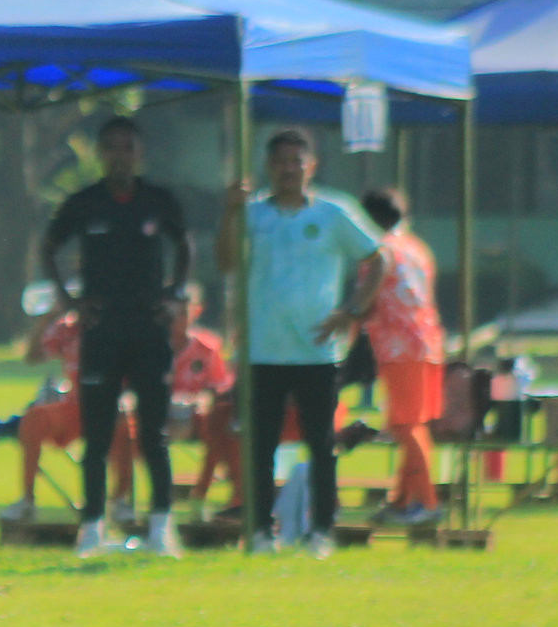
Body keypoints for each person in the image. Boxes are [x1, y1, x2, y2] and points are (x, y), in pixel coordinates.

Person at [217, 129, 384, 557]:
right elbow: (225, 262)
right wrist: (229, 214)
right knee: (260, 446)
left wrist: (352, 309)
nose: (288, 169)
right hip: (263, 350)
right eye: (280, 162)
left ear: (312, 166)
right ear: (268, 167)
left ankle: (322, 531)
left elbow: (377, 258)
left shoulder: (333, 211)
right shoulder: (253, 214)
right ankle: (258, 532)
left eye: (297, 161)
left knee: (321, 444)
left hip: (316, 350)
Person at [42, 116, 193, 559]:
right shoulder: (84, 202)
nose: (119, 155)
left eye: (128, 146)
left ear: (139, 152)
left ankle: (161, 528)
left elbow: (184, 244)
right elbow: (48, 247)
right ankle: (91, 527)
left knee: (153, 433)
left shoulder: (157, 200)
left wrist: (175, 294)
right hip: (102, 330)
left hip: (149, 329)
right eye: (111, 147)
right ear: (99, 154)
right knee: (98, 432)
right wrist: (70, 302)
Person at [357, 187, 446, 523]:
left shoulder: (379, 251)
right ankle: (403, 501)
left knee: (406, 425)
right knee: (409, 424)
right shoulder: (417, 247)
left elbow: (364, 301)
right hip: (427, 343)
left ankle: (428, 503)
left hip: (400, 347)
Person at [1, 304, 135, 524]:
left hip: (110, 406)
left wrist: (126, 399)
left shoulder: (118, 327)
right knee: (34, 418)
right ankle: (27, 500)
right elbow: (33, 357)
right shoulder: (67, 328)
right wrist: (47, 319)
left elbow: (134, 377)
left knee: (125, 423)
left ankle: (120, 499)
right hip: (76, 406)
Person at [166, 286, 240, 513]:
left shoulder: (207, 347)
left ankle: (202, 491)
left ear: (196, 311)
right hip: (156, 413)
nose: (176, 320)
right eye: (172, 313)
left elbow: (219, 387)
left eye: (182, 312)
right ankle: (124, 499)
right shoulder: (150, 345)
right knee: (125, 427)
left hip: (194, 415)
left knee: (218, 424)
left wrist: (203, 398)